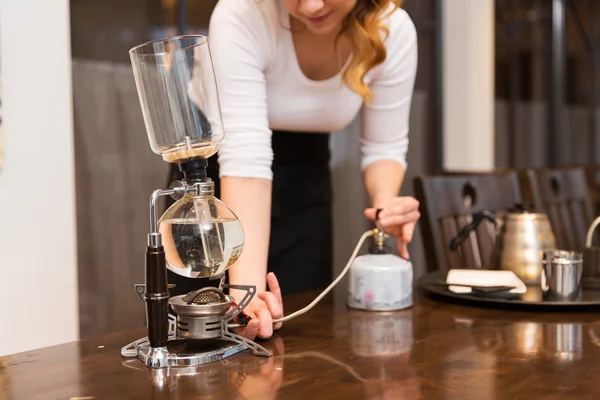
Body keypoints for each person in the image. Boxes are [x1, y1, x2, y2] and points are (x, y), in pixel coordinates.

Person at [167, 0, 420, 341]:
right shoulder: (243, 13)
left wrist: (385, 202)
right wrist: (247, 295)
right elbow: (245, 161)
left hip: (306, 170)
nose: (311, 5)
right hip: (214, 175)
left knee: (297, 334)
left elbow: (383, 147)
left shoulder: (394, 30)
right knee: (202, 333)